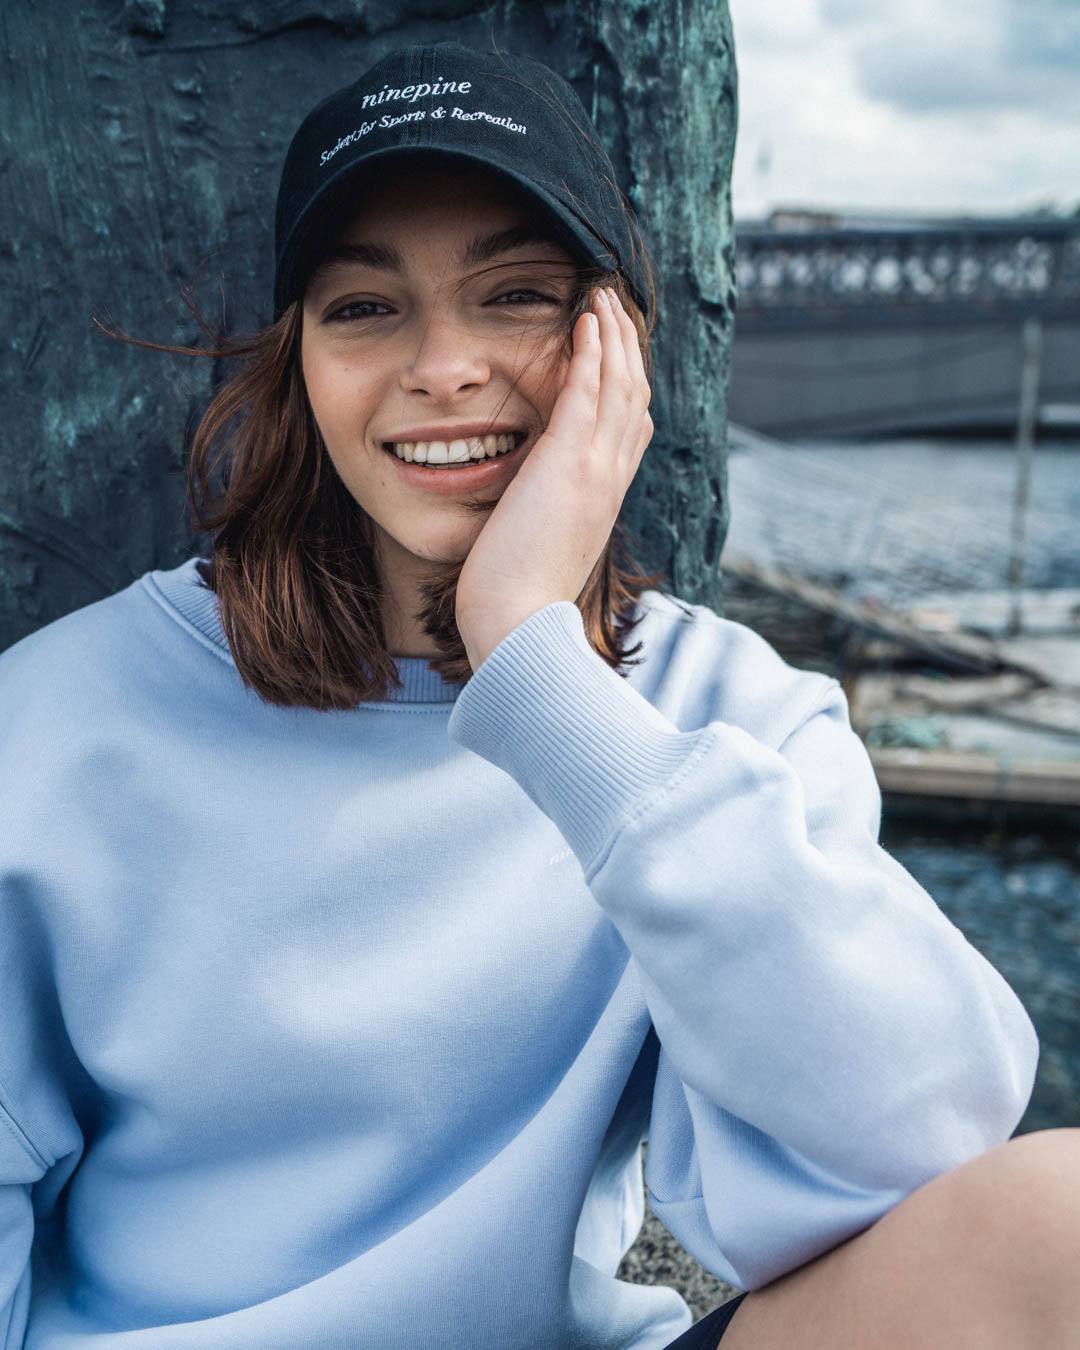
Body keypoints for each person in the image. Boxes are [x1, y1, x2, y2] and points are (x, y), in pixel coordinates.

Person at [0, 37, 1075, 1350]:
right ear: (299, 364)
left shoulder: (718, 713)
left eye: (513, 297)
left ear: (614, 347)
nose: (444, 366)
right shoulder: (62, 722)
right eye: (364, 307)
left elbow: (923, 1125)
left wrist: (531, 662)